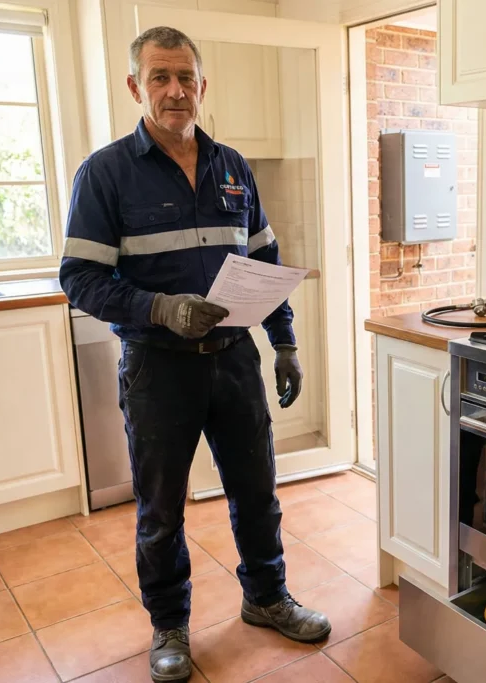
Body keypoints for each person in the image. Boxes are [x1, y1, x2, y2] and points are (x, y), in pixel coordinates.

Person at [60, 26, 330, 683]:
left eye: (186, 77)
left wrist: (285, 340)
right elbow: (80, 277)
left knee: (257, 493)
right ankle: (169, 626)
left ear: (202, 86)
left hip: (235, 361)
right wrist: (160, 308)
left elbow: (263, 261)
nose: (176, 90)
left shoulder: (232, 166)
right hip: (159, 369)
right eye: (160, 77)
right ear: (136, 87)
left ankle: (265, 597)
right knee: (161, 510)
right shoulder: (105, 174)